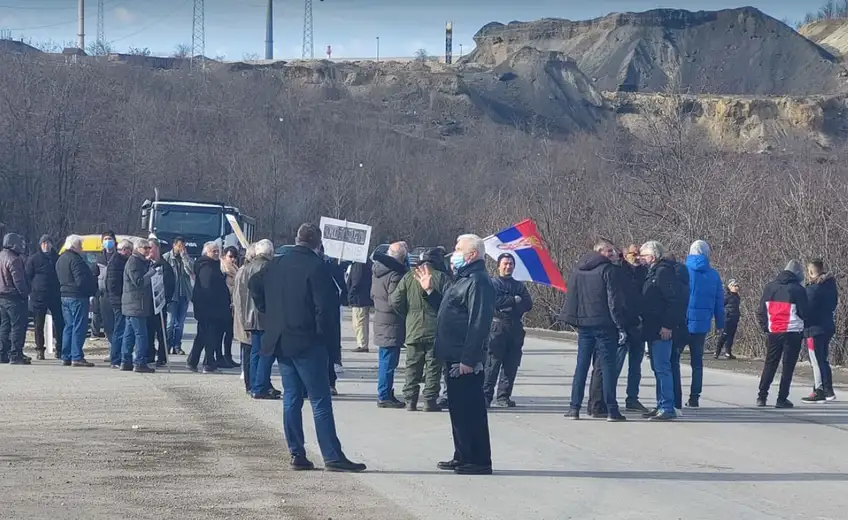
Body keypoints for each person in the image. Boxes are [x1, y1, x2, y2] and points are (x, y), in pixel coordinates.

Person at [249, 223, 366, 472]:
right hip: (307, 340)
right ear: (317, 243)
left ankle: (296, 452)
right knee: (319, 399)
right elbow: (325, 309)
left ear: (296, 238)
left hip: (280, 340)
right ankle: (332, 455)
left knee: (291, 397)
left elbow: (254, 284)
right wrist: (324, 340)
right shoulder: (317, 267)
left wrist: (269, 313)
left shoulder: (276, 263)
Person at [414, 234, 495, 475]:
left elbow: (478, 323)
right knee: (458, 410)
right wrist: (430, 291)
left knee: (471, 410)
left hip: (464, 358)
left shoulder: (479, 281)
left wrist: (469, 360)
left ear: (471, 255)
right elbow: (450, 311)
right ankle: (462, 455)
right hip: (452, 355)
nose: (454, 252)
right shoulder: (462, 279)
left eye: (458, 249)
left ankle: (478, 460)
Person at [561, 241, 627, 422]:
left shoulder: (578, 270)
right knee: (607, 368)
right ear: (599, 252)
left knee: (581, 367)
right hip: (605, 325)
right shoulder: (608, 270)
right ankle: (612, 410)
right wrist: (620, 325)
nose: (612, 253)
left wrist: (573, 319)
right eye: (609, 251)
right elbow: (613, 301)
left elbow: (572, 296)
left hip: (584, 325)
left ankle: (574, 408)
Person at [586, 246, 649, 416]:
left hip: (639, 324)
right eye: (633, 254)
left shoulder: (644, 272)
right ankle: (604, 401)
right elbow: (617, 300)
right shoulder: (617, 272)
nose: (637, 257)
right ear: (624, 255)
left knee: (635, 366)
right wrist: (620, 325)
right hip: (621, 324)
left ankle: (632, 399)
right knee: (612, 366)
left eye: (639, 254)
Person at [391, 247, 449, 411]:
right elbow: (450, 302)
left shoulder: (409, 276)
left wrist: (407, 314)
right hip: (436, 329)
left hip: (413, 328)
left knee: (412, 366)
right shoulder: (442, 277)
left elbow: (395, 300)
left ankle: (410, 400)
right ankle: (430, 401)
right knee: (433, 367)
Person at [756, 260, 808, 408]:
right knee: (788, 366)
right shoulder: (798, 289)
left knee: (770, 363)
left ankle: (762, 396)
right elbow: (805, 312)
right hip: (793, 331)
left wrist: (766, 327)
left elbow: (761, 311)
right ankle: (781, 398)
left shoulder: (770, 287)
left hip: (774, 330)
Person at [484, 253, 532, 408]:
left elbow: (527, 304)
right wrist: (512, 300)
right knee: (492, 364)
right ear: (499, 266)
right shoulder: (492, 284)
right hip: (497, 327)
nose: (508, 266)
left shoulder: (519, 286)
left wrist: (512, 304)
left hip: (515, 327)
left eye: (510, 264)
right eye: (505, 263)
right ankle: (486, 396)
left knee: (511, 364)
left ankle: (504, 396)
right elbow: (493, 302)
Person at [639, 241, 680, 421]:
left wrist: (668, 325)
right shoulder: (652, 272)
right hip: (651, 325)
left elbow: (673, 301)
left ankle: (667, 406)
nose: (642, 259)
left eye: (644, 255)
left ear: (652, 256)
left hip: (661, 327)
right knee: (657, 367)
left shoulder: (663, 272)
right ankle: (661, 403)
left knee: (663, 368)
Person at [233, 240, 279, 399]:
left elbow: (239, 293)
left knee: (254, 352)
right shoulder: (268, 268)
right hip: (263, 315)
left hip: (249, 315)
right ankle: (260, 386)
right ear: (270, 252)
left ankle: (253, 384)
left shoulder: (245, 268)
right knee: (265, 353)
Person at [682, 240, 725, 408]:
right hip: (701, 324)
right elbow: (719, 302)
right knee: (697, 362)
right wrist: (720, 323)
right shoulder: (713, 275)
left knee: (673, 359)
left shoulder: (683, 270)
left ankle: (674, 395)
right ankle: (694, 397)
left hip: (683, 321)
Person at [371, 241, 409, 408]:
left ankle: (386, 391)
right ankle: (384, 394)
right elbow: (395, 301)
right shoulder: (395, 275)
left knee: (385, 359)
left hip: (381, 318)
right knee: (389, 361)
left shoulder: (378, 271)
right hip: (392, 322)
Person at [189, 242, 230, 373]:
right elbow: (207, 288)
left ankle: (192, 361)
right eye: (214, 251)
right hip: (209, 308)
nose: (217, 253)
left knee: (202, 335)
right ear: (206, 252)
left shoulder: (213, 265)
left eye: (218, 251)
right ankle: (208, 363)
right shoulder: (207, 266)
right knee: (211, 336)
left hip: (211, 308)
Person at [55, 235, 97, 367]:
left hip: (64, 295)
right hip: (77, 296)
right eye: (80, 245)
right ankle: (77, 356)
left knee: (69, 326)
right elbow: (81, 281)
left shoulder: (60, 259)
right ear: (74, 246)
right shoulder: (76, 260)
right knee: (79, 326)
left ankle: (66, 355)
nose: (82, 248)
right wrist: (90, 290)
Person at [801, 259, 838, 403]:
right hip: (827, 326)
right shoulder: (830, 286)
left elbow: (806, 310)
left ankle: (820, 390)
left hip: (814, 329)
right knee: (823, 359)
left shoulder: (812, 290)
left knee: (816, 360)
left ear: (810, 272)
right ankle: (828, 390)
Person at [121, 237, 156, 373]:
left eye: (149, 248)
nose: (148, 250)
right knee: (141, 334)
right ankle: (139, 362)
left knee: (129, 334)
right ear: (138, 249)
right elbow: (139, 282)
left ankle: (126, 360)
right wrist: (151, 273)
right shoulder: (134, 262)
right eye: (145, 248)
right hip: (136, 304)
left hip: (134, 304)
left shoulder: (140, 261)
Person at [26, 235, 63, 360]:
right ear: (40, 245)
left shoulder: (57, 258)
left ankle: (60, 349)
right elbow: (28, 276)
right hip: (39, 296)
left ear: (52, 244)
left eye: (48, 243)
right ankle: (40, 350)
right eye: (43, 243)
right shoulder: (34, 259)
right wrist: (33, 290)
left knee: (59, 323)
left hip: (55, 295)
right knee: (38, 325)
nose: (46, 245)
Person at [0, 233, 31, 365]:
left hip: (2, 297)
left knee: (4, 326)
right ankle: (15, 354)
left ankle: (2, 353)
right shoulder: (14, 259)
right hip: (14, 297)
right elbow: (18, 281)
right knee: (17, 327)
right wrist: (25, 294)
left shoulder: (1, 255)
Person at [145, 238, 175, 367]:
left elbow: (170, 284)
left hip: (159, 304)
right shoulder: (145, 264)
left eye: (150, 248)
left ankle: (162, 356)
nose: (148, 251)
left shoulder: (164, 265)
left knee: (161, 332)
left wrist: (164, 300)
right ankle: (149, 354)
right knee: (148, 331)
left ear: (156, 249)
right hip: (147, 304)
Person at [105, 239, 132, 368]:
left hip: (120, 299)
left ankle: (119, 356)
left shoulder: (120, 261)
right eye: (130, 250)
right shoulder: (116, 263)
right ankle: (115, 358)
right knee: (120, 329)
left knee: (122, 328)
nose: (131, 253)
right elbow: (113, 284)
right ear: (125, 250)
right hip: (118, 300)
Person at [164, 236, 192, 356]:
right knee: (170, 323)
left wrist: (185, 257)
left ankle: (177, 346)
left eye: (183, 246)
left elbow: (191, 271)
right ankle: (167, 345)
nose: (181, 248)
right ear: (174, 245)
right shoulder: (166, 258)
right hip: (171, 295)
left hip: (183, 294)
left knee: (180, 324)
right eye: (179, 246)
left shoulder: (186, 258)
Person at [219, 245, 241, 369]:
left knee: (230, 333)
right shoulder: (223, 268)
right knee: (223, 332)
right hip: (225, 304)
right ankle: (221, 357)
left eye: (234, 257)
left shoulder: (235, 269)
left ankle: (228, 356)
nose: (232, 260)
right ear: (224, 256)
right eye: (230, 256)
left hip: (233, 304)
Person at [346, 259, 373, 353]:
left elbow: (356, 280)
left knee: (359, 322)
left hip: (359, 298)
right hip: (363, 297)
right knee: (361, 321)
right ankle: (363, 343)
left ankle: (362, 344)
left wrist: (351, 294)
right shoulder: (365, 262)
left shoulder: (359, 264)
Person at [715, 279, 740, 359]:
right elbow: (720, 306)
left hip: (735, 318)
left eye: (737, 286)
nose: (737, 287)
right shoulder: (726, 296)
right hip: (727, 318)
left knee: (731, 336)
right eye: (735, 285)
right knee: (724, 335)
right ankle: (717, 352)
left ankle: (728, 352)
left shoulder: (737, 296)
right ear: (730, 286)